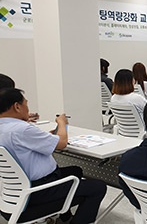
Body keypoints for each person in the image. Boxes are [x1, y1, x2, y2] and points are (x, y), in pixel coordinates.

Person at [0, 88, 106, 224]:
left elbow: (22, 143)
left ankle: (65, 217)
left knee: (75, 171)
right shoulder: (22, 129)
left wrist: (46, 137)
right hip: (37, 193)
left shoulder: (11, 128)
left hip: (13, 196)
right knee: (97, 187)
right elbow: (62, 143)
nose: (28, 108)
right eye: (26, 103)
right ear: (17, 106)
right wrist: (61, 123)